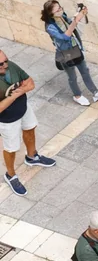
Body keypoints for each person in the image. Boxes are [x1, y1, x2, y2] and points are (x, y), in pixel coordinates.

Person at [0, 49, 55, 197]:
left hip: (23, 108)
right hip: (7, 120)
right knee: (11, 148)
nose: (5, 65)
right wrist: (14, 96)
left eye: (6, 60)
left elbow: (30, 83)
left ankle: (32, 157)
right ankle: (10, 175)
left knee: (30, 128)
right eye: (1, 64)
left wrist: (21, 90)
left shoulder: (11, 66)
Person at [42, 0, 98, 107]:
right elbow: (65, 37)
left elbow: (70, 23)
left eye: (61, 7)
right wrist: (76, 21)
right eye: (58, 10)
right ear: (51, 14)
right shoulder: (50, 27)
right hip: (65, 54)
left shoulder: (62, 16)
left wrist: (81, 14)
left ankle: (95, 93)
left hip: (75, 49)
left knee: (85, 71)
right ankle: (77, 95)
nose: (61, 10)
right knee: (72, 76)